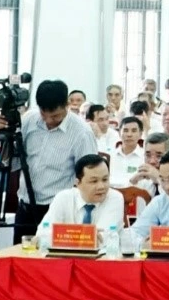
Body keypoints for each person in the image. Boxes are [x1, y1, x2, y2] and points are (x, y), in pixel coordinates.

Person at [9, 80, 100, 244]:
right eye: (44, 114)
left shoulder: (81, 133)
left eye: (55, 116)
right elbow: (12, 161)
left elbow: (89, 175)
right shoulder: (29, 120)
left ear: (67, 104)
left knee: (50, 264)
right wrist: (5, 134)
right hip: (25, 206)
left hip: (57, 209)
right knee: (21, 260)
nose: (49, 120)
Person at [46, 154, 125, 228]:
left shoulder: (115, 198)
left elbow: (104, 235)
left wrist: (65, 235)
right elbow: (45, 232)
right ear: (78, 183)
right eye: (94, 181)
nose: (101, 187)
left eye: (105, 179)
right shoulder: (63, 198)